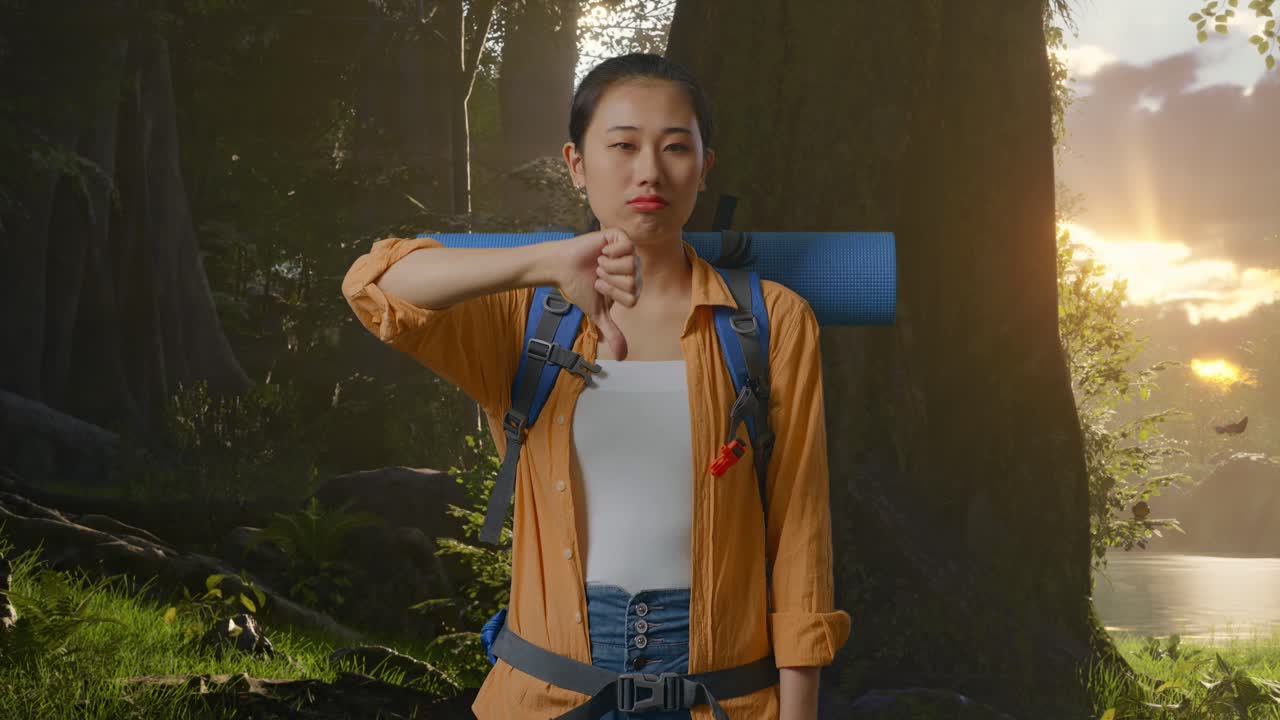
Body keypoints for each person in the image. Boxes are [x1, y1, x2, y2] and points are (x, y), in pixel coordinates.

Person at [341, 52, 850, 720]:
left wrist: (799, 710)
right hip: (547, 694)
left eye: (676, 147)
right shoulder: (523, 316)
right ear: (576, 164)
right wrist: (550, 260)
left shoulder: (771, 320)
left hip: (724, 697)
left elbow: (800, 530)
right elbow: (373, 286)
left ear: (705, 166)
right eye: (623, 145)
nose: (650, 170)